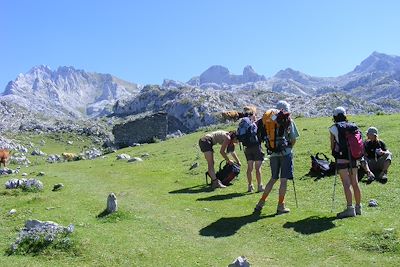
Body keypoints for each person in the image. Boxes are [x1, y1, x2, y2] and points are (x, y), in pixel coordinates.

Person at [254, 100, 299, 214]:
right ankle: (281, 206)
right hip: (286, 153)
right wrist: (289, 148)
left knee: (273, 178)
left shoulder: (269, 121)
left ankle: (260, 203)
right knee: (283, 180)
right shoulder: (288, 120)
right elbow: (293, 139)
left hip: (273, 153)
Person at [329, 106, 362, 218]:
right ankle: (358, 208)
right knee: (355, 182)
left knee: (346, 183)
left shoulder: (333, 128)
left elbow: (332, 146)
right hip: (353, 157)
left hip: (342, 158)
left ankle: (349, 209)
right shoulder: (353, 126)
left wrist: (334, 154)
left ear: (334, 117)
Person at [241, 106, 264, 193]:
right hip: (256, 147)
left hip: (247, 148)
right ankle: (260, 186)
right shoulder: (254, 124)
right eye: (255, 114)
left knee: (249, 167)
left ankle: (250, 186)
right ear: (253, 114)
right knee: (258, 168)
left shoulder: (244, 123)